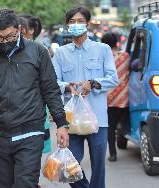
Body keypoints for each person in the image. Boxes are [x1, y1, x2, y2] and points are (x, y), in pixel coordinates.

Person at [0, 9, 69, 188]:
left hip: (30, 132)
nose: (5, 42)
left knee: (25, 184)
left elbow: (50, 89)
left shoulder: (38, 52)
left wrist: (61, 123)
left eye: (10, 36)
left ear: (19, 29)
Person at [52, 6, 118, 188]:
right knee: (71, 164)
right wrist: (67, 86)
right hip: (71, 120)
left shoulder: (103, 50)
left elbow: (113, 79)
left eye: (80, 21)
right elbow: (52, 83)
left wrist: (94, 83)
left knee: (98, 165)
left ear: (87, 24)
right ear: (67, 25)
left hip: (97, 119)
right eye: (72, 22)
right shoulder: (60, 53)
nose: (76, 25)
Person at [19, 14, 52, 154]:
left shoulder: (41, 51)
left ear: (31, 30)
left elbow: (49, 84)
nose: (17, 31)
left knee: (33, 154)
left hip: (36, 110)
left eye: (21, 28)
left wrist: (51, 109)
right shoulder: (10, 51)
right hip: (15, 111)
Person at [101, 33, 130, 162]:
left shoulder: (102, 59)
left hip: (110, 100)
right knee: (124, 121)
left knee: (110, 127)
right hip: (126, 98)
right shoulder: (125, 56)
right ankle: (124, 141)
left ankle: (113, 154)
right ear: (117, 43)